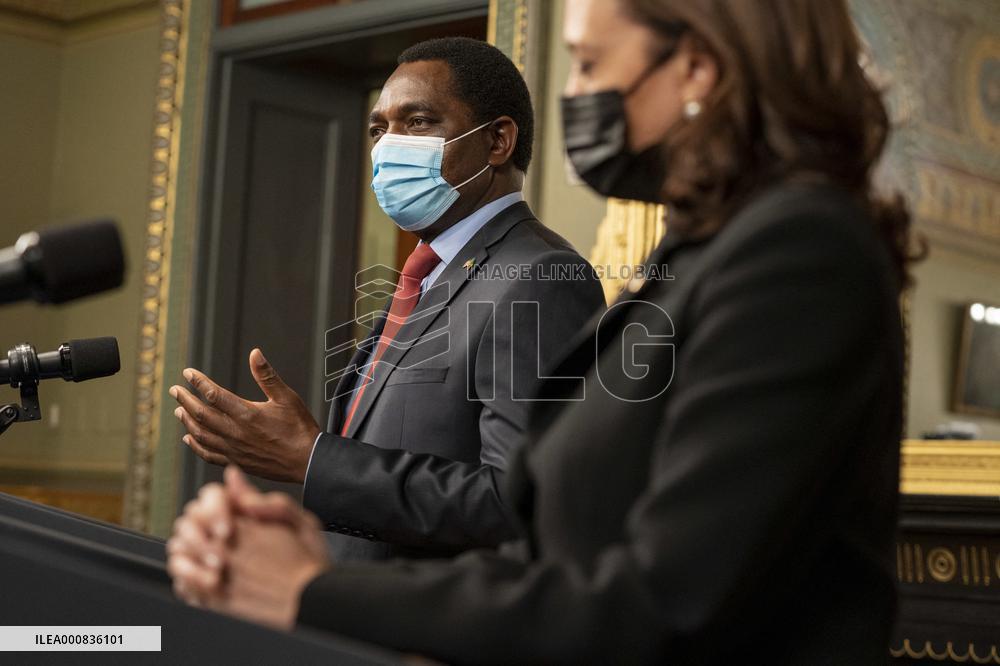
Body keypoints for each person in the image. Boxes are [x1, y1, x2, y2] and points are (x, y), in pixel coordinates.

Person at [168, 0, 921, 663]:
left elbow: (663, 600)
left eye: (589, 62)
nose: (572, 96)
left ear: (696, 65)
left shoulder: (798, 252)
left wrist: (316, 591)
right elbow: (550, 544)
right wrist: (319, 563)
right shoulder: (699, 254)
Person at [169, 37, 605, 561]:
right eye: (379, 129)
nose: (388, 147)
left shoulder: (541, 276)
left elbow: (513, 504)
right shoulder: (427, 274)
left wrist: (312, 459)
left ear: (497, 141)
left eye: (418, 122)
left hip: (430, 633)